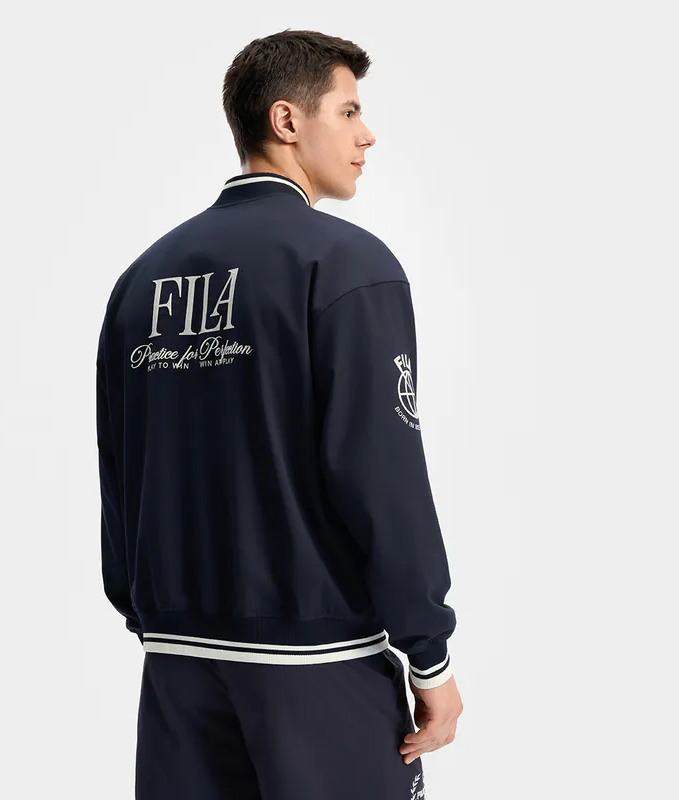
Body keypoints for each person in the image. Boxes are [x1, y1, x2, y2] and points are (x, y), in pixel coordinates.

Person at [95, 28, 463, 800]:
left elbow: (120, 467)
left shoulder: (142, 280)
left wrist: (153, 613)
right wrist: (429, 654)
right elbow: (382, 475)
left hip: (178, 669)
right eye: (349, 110)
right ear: (287, 120)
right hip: (317, 665)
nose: (367, 134)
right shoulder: (347, 266)